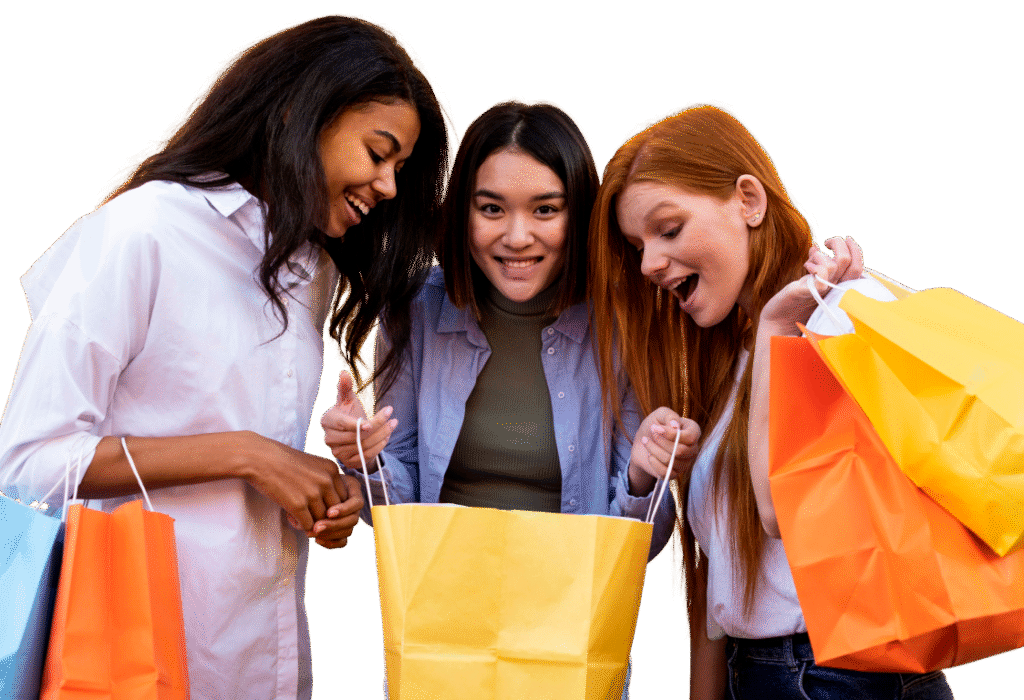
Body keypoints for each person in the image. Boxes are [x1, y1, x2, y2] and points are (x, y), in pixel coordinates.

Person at [0, 15, 451, 699]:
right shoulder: (141, 233)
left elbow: (254, 480)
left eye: (400, 168)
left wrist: (318, 502)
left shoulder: (312, 271)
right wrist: (249, 454)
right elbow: (28, 460)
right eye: (378, 152)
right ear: (303, 113)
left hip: (264, 660)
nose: (388, 186)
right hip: (129, 654)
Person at [318, 98, 687, 696]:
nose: (518, 237)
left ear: (582, 215)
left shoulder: (624, 321)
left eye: (546, 209)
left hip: (570, 639)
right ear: (462, 214)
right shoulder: (417, 308)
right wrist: (365, 454)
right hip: (441, 638)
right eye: (492, 209)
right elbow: (396, 514)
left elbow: (635, 546)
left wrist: (646, 473)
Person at [588, 102, 956, 699]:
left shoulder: (835, 315)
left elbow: (782, 514)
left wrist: (776, 331)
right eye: (638, 246)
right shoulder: (731, 363)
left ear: (749, 201)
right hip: (775, 672)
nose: (649, 264)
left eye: (669, 229)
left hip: (832, 674)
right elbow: (724, 585)